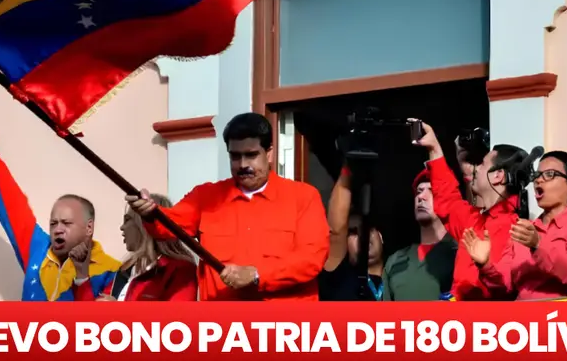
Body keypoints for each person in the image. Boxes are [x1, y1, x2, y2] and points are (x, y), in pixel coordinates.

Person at [127, 112, 330, 301]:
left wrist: (257, 274)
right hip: (223, 327)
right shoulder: (206, 197)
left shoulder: (303, 197)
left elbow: (311, 259)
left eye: (251, 155)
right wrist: (150, 213)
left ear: (269, 154)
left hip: (285, 329)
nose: (242, 164)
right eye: (235, 156)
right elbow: (169, 225)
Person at [0, 123, 121, 301]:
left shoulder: (113, 272)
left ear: (89, 227)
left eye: (67, 223)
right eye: (53, 223)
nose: (58, 229)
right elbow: (13, 207)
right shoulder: (38, 249)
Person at [461, 151, 567, 300]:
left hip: (559, 317)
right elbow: (504, 288)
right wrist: (486, 265)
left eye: (549, 174)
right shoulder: (525, 228)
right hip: (522, 318)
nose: (539, 180)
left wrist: (539, 246)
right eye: (537, 175)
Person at [414, 120, 525, 301]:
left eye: (483, 164)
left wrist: (486, 265)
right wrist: (434, 149)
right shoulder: (474, 219)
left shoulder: (516, 229)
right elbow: (448, 200)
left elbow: (505, 289)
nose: (477, 169)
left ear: (498, 175)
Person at [76, 193, 198, 301]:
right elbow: (91, 318)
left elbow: (176, 322)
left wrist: (120, 312)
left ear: (143, 223)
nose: (122, 227)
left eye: (127, 219)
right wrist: (81, 274)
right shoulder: (126, 271)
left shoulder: (180, 270)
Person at [381, 168, 458, 300]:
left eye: (432, 191)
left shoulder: (460, 253)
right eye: (419, 191)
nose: (421, 197)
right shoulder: (395, 261)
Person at [319, 165, 385, 301]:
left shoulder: (399, 276)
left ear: (381, 236)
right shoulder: (338, 279)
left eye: (368, 229)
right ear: (345, 243)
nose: (363, 236)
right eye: (354, 233)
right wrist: (349, 165)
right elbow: (336, 230)